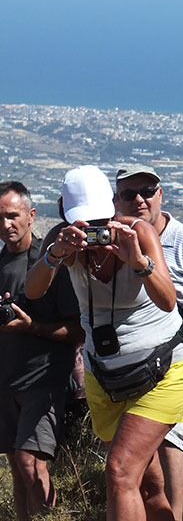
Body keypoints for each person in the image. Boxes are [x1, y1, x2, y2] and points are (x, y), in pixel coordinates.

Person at [26, 166, 183, 521]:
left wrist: (139, 262)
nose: (93, 230)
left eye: (101, 219)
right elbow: (33, 291)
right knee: (146, 486)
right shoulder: (63, 239)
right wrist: (55, 254)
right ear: (64, 213)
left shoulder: (139, 232)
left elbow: (167, 301)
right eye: (83, 222)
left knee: (118, 472)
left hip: (163, 369)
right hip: (106, 377)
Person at [113, 164, 183, 521]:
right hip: (131, 359)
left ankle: (174, 513)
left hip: (177, 353)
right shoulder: (110, 241)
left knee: (172, 439)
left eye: (147, 191)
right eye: (130, 194)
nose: (140, 200)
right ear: (117, 200)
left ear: (161, 195)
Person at [0, 181, 82, 520]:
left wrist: (32, 326)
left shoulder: (49, 264)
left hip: (43, 381)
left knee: (31, 466)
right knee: (19, 471)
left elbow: (77, 330)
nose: (7, 225)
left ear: (31, 216)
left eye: (13, 216)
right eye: (0, 218)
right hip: (6, 381)